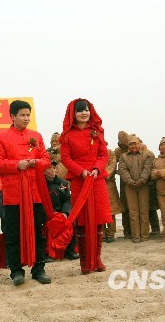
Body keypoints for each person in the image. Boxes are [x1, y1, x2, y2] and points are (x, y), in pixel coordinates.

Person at [0, 99, 51, 286]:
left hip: (35, 193)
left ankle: (38, 269)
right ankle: (16, 270)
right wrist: (16, 165)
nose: (26, 118)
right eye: (22, 115)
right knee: (13, 233)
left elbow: (46, 158)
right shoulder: (2, 138)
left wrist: (37, 163)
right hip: (14, 195)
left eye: (28, 115)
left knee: (38, 232)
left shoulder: (37, 136)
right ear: (12, 117)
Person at [59, 98, 111, 274]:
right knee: (81, 220)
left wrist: (97, 169)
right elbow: (66, 158)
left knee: (98, 218)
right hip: (79, 179)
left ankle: (96, 258)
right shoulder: (67, 135)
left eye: (87, 110)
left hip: (97, 179)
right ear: (73, 114)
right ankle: (84, 261)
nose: (84, 113)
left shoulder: (96, 131)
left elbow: (104, 154)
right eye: (80, 110)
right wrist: (81, 172)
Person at [118, 135, 153, 243]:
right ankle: (136, 236)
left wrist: (142, 180)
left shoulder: (146, 155)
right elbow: (122, 170)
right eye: (131, 144)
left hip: (143, 186)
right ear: (128, 145)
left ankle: (145, 235)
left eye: (135, 144)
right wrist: (130, 181)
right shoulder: (123, 157)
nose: (134, 146)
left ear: (139, 144)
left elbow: (147, 168)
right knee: (133, 212)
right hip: (130, 187)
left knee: (144, 211)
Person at [44, 161, 78, 260]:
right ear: (44, 171)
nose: (52, 170)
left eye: (54, 168)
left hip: (61, 212)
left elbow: (67, 199)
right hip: (47, 213)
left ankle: (69, 251)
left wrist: (65, 212)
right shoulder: (41, 183)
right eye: (49, 168)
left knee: (71, 222)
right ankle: (47, 253)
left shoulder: (63, 183)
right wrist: (51, 213)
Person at [104, 147, 124, 243]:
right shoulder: (92, 152)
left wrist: (102, 175)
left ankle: (111, 233)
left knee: (111, 210)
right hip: (96, 184)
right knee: (99, 210)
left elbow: (112, 166)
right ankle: (102, 233)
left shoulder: (110, 153)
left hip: (109, 185)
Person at [115, 131, 131, 239]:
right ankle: (127, 232)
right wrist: (117, 171)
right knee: (125, 206)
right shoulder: (118, 151)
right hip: (123, 182)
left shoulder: (134, 146)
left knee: (134, 207)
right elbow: (113, 162)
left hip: (134, 178)